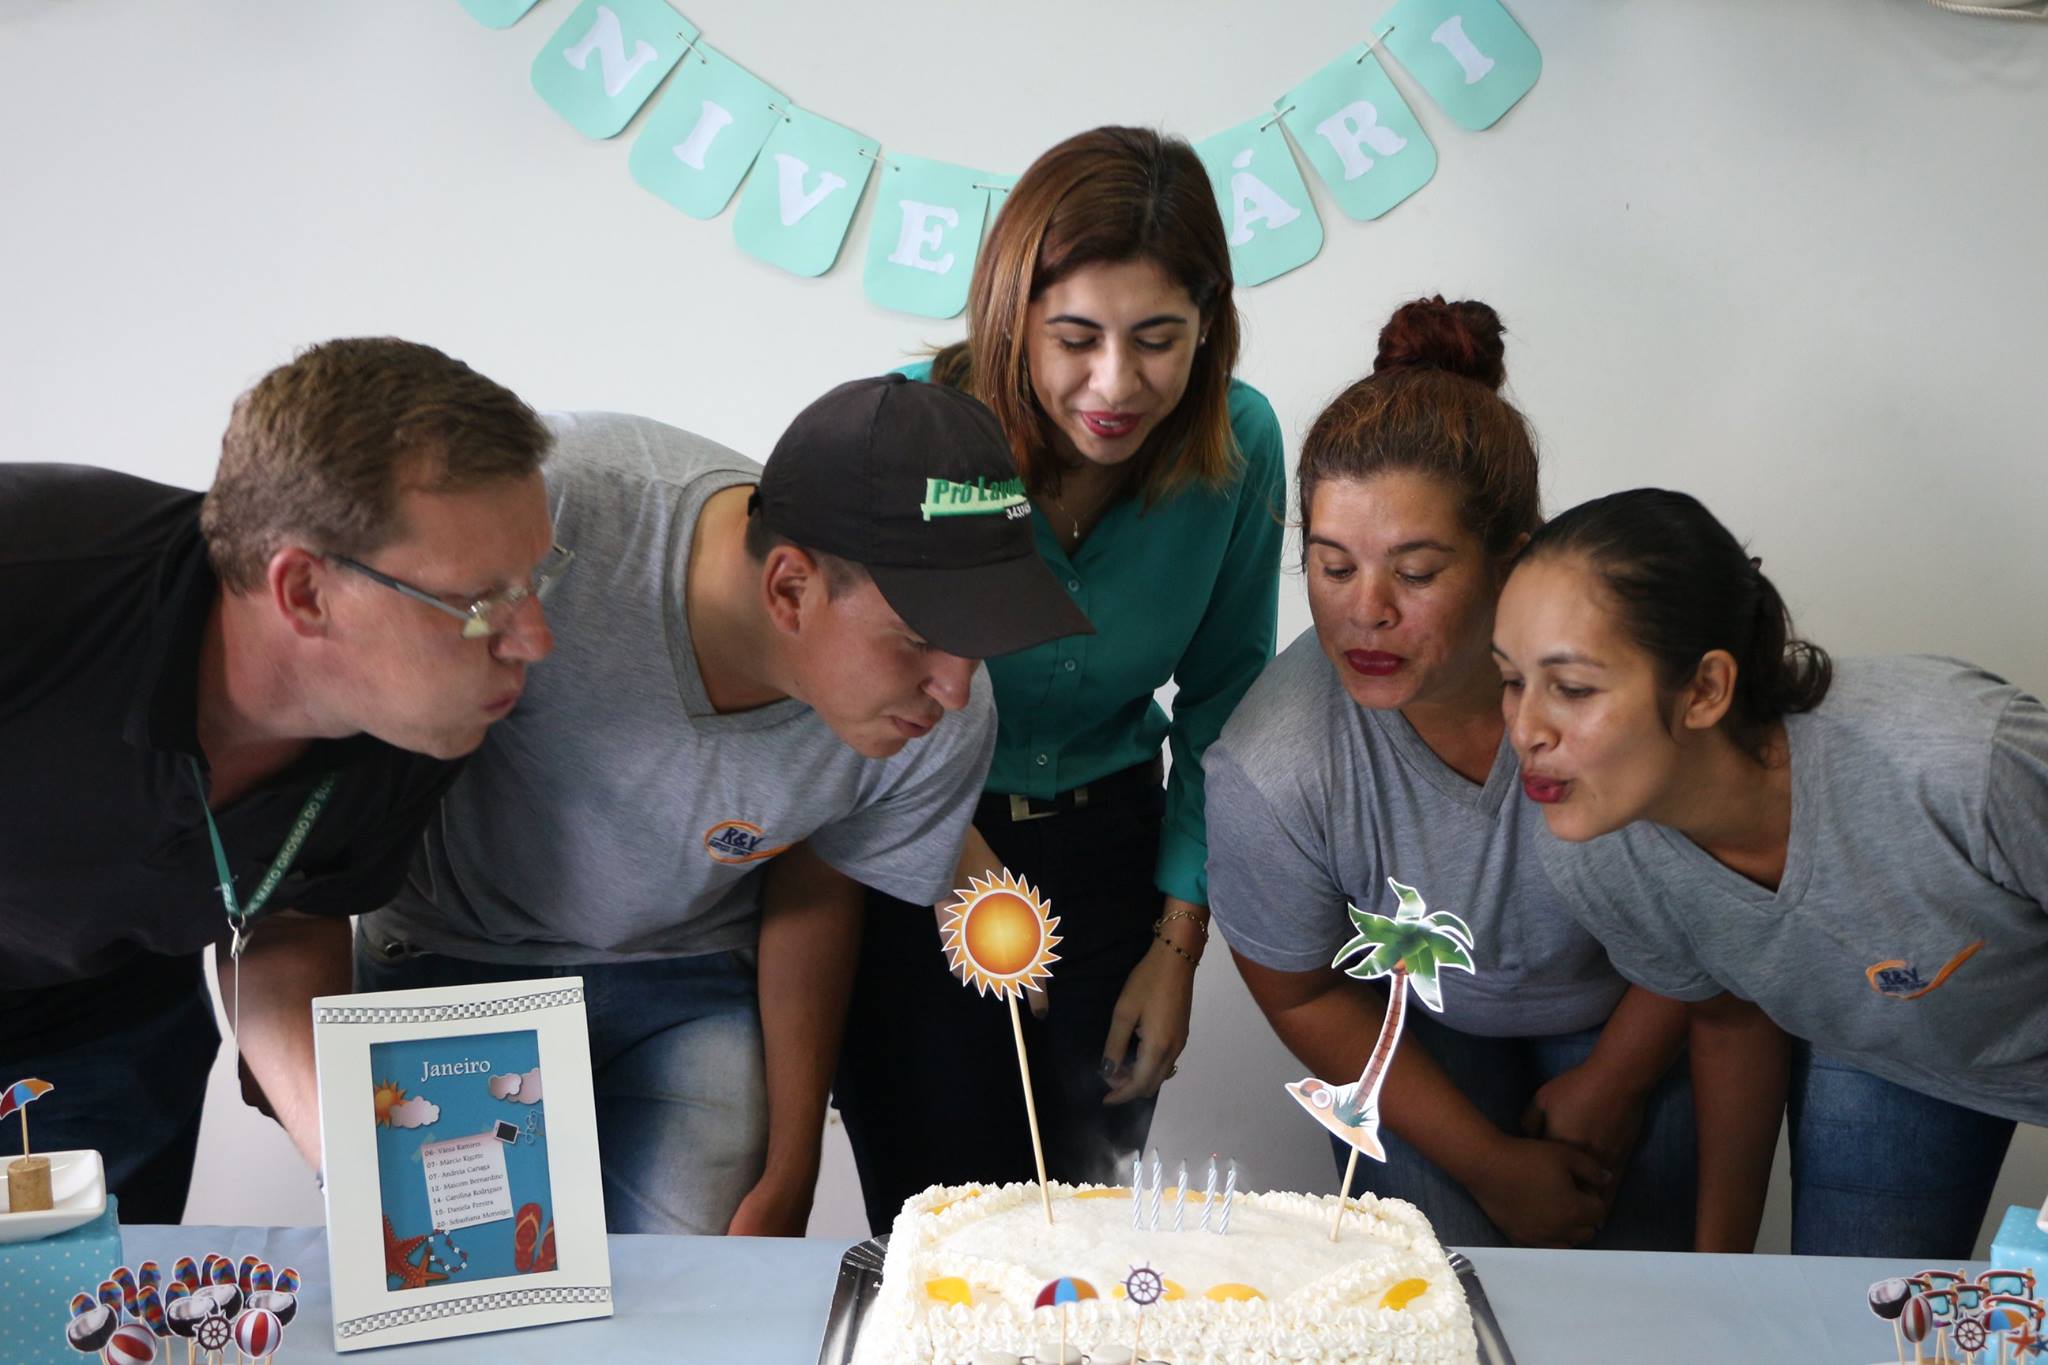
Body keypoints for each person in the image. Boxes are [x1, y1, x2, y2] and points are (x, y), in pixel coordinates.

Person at [356, 375, 1091, 1235]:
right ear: (789, 589)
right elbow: (358, 693)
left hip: (689, 971)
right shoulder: (547, 521)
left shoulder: (940, 710)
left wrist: (792, 1162)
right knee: (464, 1294)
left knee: (697, 1300)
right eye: (922, 639)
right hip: (452, 953)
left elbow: (821, 881)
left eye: (981, 637)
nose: (956, 690)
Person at [833, 125, 1285, 1235]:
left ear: (1208, 329)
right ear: (1008, 317)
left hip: (1112, 866)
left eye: (1158, 340)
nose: (1115, 384)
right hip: (916, 854)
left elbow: (1225, 706)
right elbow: (839, 692)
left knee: (1081, 1223)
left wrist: (1175, 951)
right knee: (942, 1233)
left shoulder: (1239, 442)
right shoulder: (906, 429)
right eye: (1075, 337)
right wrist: (969, 875)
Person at [0, 337, 560, 1220]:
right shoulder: (31, 579)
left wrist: (362, 1174)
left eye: (535, 583)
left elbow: (287, 917)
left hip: (108, 1031)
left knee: (77, 1336)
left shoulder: (423, 717)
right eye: (480, 601)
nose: (533, 639)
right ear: (304, 593)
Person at [1204, 298, 1697, 1250]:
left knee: (1644, 1290)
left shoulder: (1620, 687)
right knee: (1429, 1289)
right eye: (1331, 565)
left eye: (1417, 572)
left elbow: (1727, 901)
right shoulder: (1274, 759)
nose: (1366, 613)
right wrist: (1490, 1164)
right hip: (1411, 1033)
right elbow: (1301, 990)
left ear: (1513, 558)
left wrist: (1616, 1080)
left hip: (1633, 1009)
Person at [1494, 487, 2047, 1257]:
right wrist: (1719, 1272)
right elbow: (1727, 1016)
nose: (1524, 729)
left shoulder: (1960, 760)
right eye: (1512, 680)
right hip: (1899, 1055)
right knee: (1857, 1329)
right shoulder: (1592, 846)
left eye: (1574, 688)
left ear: (1706, 689)